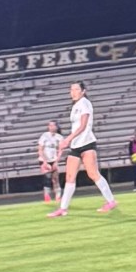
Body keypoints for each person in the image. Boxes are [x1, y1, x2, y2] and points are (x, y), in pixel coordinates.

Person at [48, 81, 117, 217]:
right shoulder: (75, 106)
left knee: (93, 174)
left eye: (76, 89)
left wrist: (67, 139)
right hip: (76, 145)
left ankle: (111, 201)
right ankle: (62, 209)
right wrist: (70, 141)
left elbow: (83, 126)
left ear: (83, 91)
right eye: (71, 90)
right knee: (69, 177)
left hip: (87, 143)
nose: (73, 92)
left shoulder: (85, 103)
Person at [37, 120, 63, 203]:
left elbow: (60, 150)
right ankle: (47, 196)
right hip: (44, 160)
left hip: (53, 160)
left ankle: (58, 196)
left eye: (53, 125)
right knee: (47, 177)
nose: (51, 127)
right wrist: (45, 162)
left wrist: (56, 161)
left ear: (56, 127)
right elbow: (40, 150)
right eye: (50, 125)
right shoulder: (44, 136)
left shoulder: (59, 137)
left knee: (55, 178)